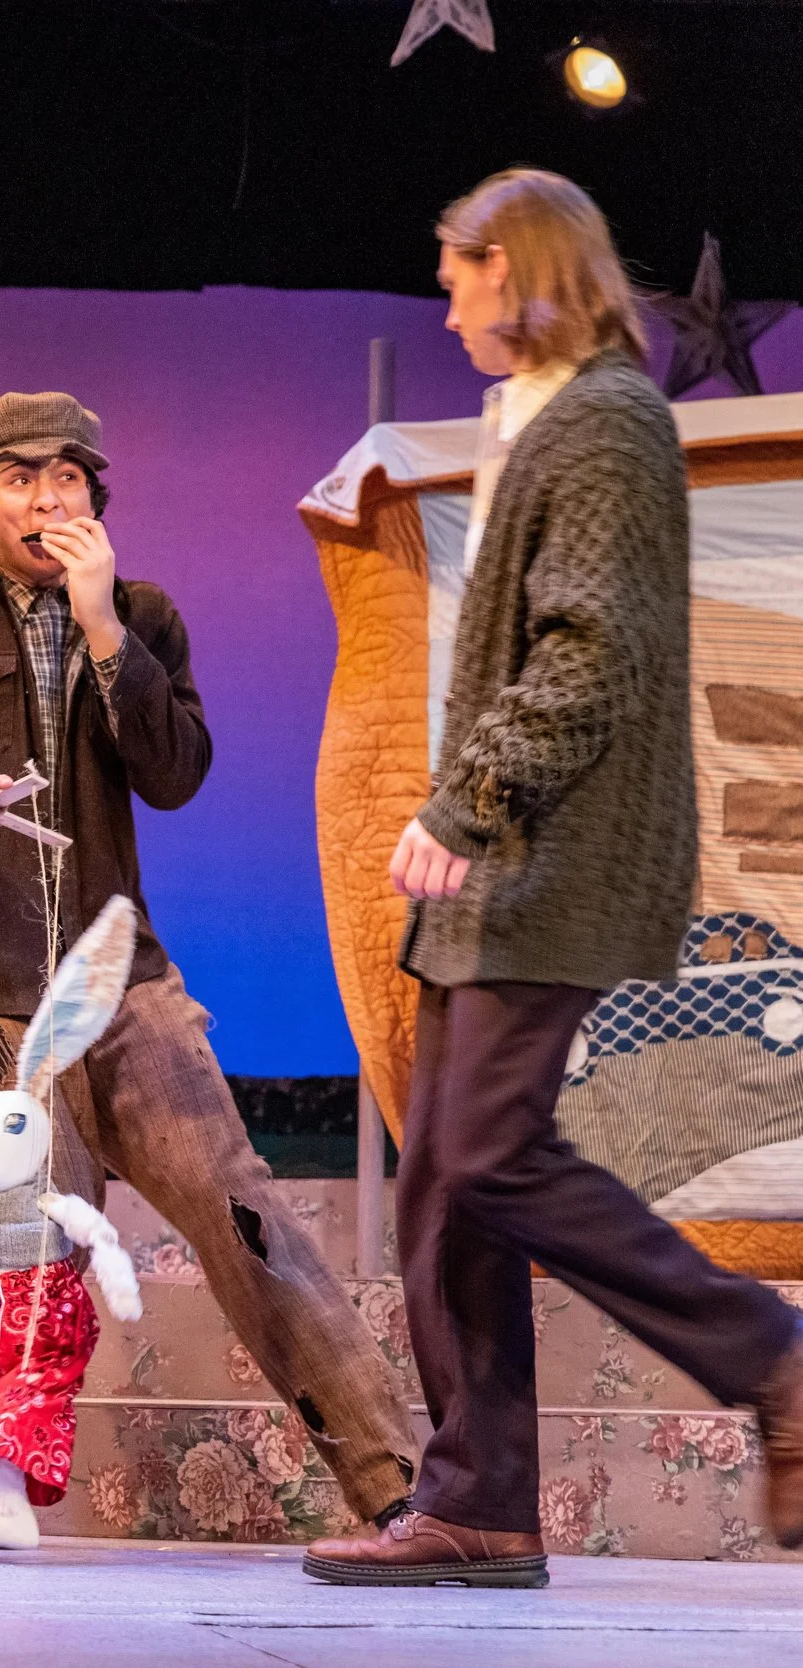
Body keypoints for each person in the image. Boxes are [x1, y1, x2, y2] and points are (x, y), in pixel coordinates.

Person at [304, 170, 803, 1587]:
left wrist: (468, 804)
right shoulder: (537, 419)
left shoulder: (606, 422)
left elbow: (591, 652)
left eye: (459, 278)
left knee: (489, 1155)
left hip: (556, 852)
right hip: (506, 866)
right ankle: (482, 1502)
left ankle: (775, 1360)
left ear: (517, 270)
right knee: (442, 1186)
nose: (446, 307)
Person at [0, 392, 422, 1540]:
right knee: (25, 1246)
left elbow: (174, 773)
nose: (46, 497)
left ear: (94, 499)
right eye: (19, 479)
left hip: (114, 974)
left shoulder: (140, 611)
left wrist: (103, 624)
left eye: (66, 477)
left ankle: (397, 1489)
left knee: (241, 1211)